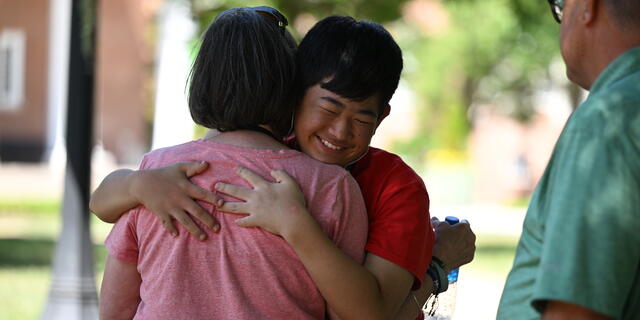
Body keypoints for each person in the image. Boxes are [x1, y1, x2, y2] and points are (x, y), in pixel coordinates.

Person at [93, 15, 476, 320]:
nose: (339, 131)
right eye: (328, 108)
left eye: (361, 118)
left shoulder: (393, 188)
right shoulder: (328, 184)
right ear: (294, 93)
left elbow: (115, 308)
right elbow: (102, 201)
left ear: (382, 117)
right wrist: (137, 185)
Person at [98, 7, 369, 320]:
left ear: (203, 80)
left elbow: (116, 309)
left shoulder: (156, 173)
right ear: (291, 87)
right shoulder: (331, 186)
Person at [497, 0, 640, 319]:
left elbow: (575, 313)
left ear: (588, 6)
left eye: (560, 6)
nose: (561, 22)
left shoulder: (608, 120)